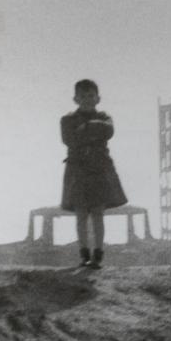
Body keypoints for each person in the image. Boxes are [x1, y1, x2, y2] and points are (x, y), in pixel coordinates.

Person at [60, 79, 127, 268]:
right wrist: (93, 132)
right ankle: (84, 255)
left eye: (91, 96)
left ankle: (97, 254)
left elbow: (108, 130)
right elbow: (69, 139)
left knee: (98, 212)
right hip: (78, 170)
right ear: (75, 99)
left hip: (98, 170)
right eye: (83, 96)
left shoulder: (105, 117)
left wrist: (85, 129)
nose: (87, 100)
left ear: (98, 98)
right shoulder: (67, 120)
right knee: (81, 212)